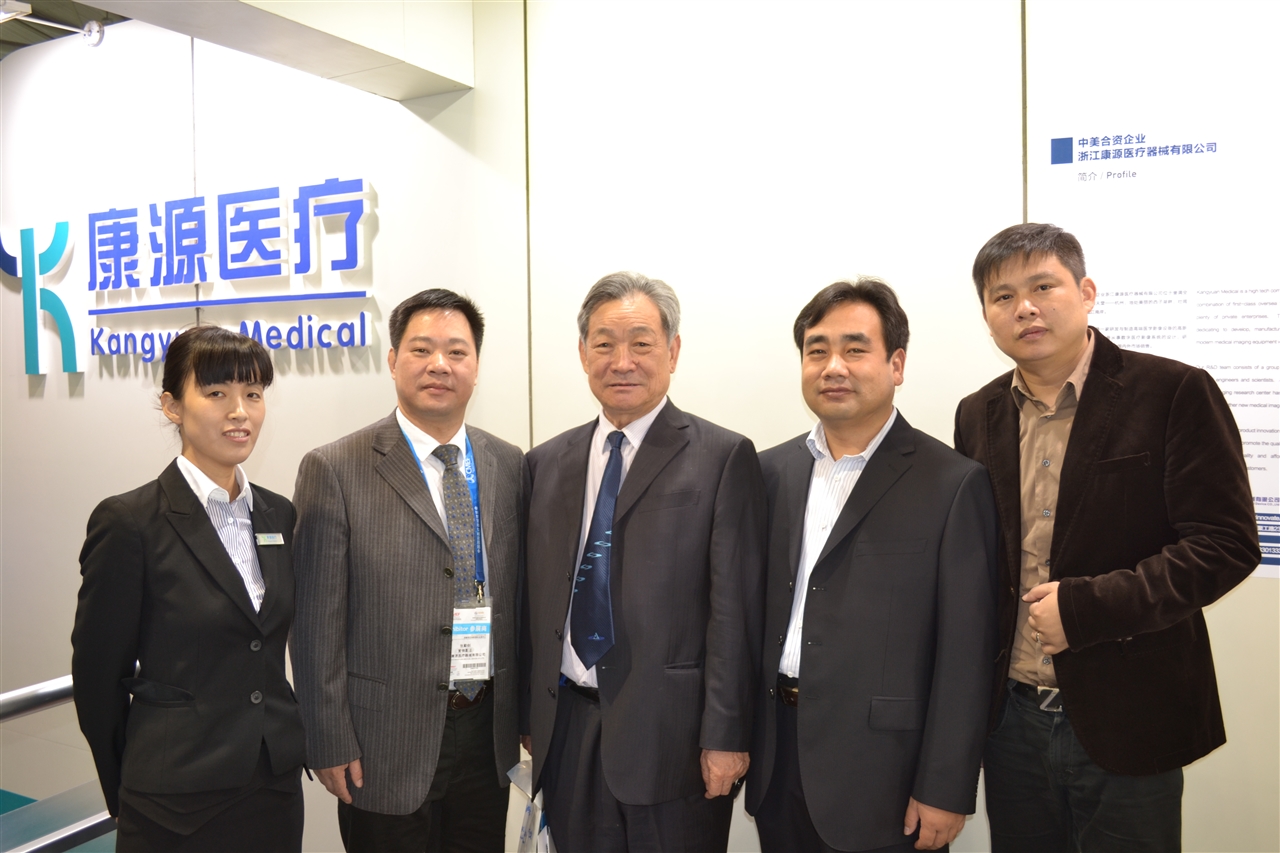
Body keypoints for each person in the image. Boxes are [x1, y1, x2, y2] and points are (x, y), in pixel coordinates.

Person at [954, 223, 1262, 852]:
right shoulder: (976, 413)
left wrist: (1086, 609)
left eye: (1044, 286)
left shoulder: (1173, 391)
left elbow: (1225, 544)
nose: (1025, 308)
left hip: (1132, 712)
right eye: (1003, 296)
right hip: (1010, 720)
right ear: (987, 316)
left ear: (1086, 292)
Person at [744, 279, 998, 853]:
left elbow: (966, 654)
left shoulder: (952, 483)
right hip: (778, 760)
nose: (833, 366)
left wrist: (945, 786)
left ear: (896, 364)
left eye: (855, 349)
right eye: (817, 350)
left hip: (886, 774)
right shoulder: (767, 472)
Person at [519, 271, 767, 852]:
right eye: (604, 344)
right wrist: (529, 719)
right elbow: (532, 600)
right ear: (583, 354)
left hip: (674, 741)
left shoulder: (722, 456)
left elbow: (735, 613)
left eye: (641, 343)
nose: (622, 361)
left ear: (673, 352)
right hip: (568, 730)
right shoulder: (545, 462)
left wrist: (726, 735)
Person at [291, 289, 523, 853]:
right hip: (383, 738)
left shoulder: (511, 463)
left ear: (476, 367)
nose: (439, 365)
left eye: (457, 352)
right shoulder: (335, 468)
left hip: (485, 731)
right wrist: (328, 736)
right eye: (421, 350)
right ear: (393, 360)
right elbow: (316, 622)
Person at [72, 325, 306, 852]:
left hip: (272, 789)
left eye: (253, 394)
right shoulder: (130, 521)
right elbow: (97, 678)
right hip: (172, 802)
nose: (239, 411)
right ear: (173, 406)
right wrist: (127, 786)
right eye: (216, 392)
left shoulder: (278, 513)